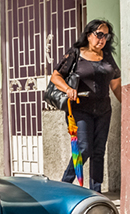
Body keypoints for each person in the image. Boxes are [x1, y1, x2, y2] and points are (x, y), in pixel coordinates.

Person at [49, 19, 122, 192]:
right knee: (83, 148)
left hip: (104, 109)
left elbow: (116, 85)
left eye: (106, 36)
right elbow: (56, 76)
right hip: (80, 109)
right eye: (99, 35)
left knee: (98, 151)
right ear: (89, 35)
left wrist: (127, 106)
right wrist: (67, 89)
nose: (102, 39)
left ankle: (95, 192)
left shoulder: (107, 57)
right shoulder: (76, 53)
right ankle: (65, 186)